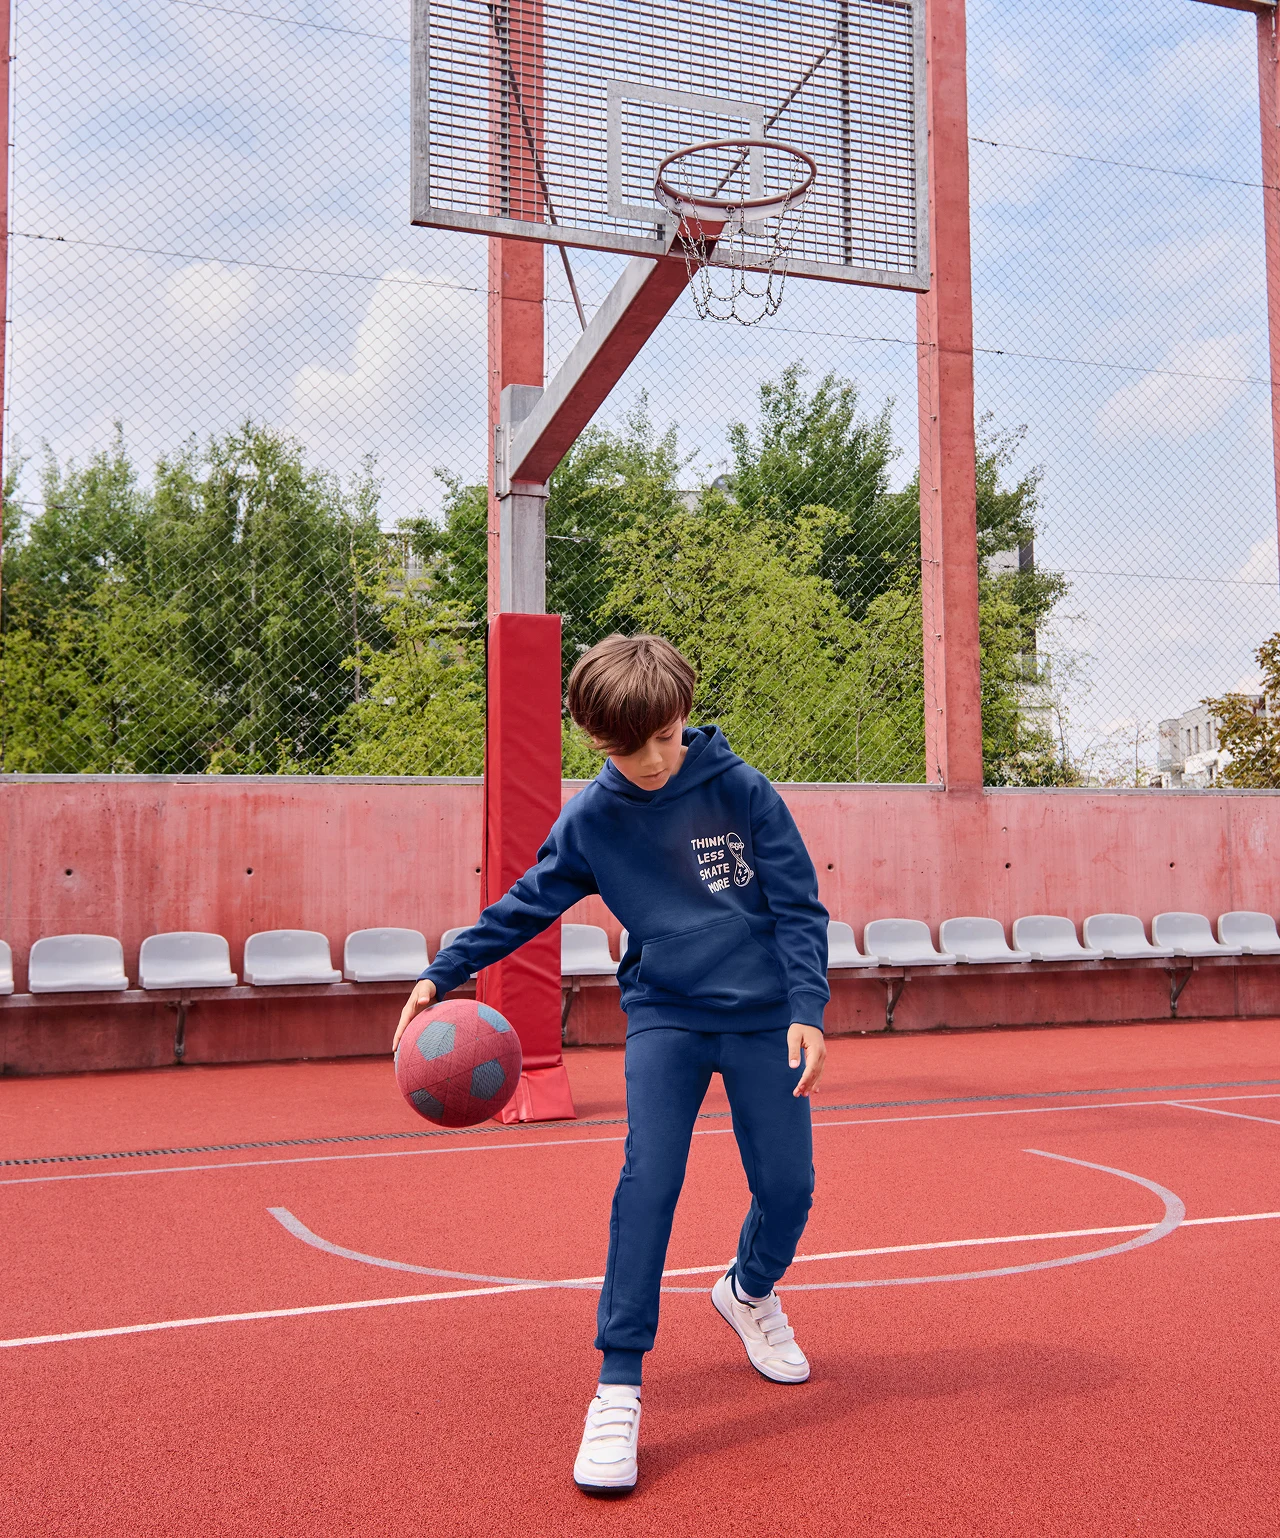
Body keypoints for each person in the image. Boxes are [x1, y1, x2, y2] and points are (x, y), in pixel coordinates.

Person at [394, 633, 829, 1497]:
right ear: (594, 740)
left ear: (683, 714)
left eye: (666, 737)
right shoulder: (593, 818)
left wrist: (808, 1010)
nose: (655, 760)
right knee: (649, 1183)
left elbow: (799, 907)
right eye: (631, 749)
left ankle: (748, 1291)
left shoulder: (741, 789)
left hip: (762, 1019)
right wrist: (442, 971)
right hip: (666, 1016)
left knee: (790, 1189)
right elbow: (525, 905)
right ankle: (618, 1384)